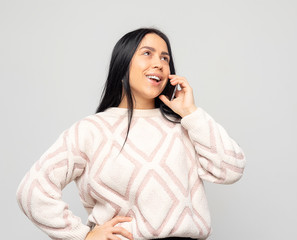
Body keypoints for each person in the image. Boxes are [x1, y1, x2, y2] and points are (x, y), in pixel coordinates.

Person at [16, 27, 246, 240]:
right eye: (147, 53)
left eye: (165, 58)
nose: (159, 63)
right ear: (123, 63)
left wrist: (190, 113)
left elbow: (230, 169)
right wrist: (83, 235)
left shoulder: (185, 126)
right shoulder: (90, 130)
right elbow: (32, 192)